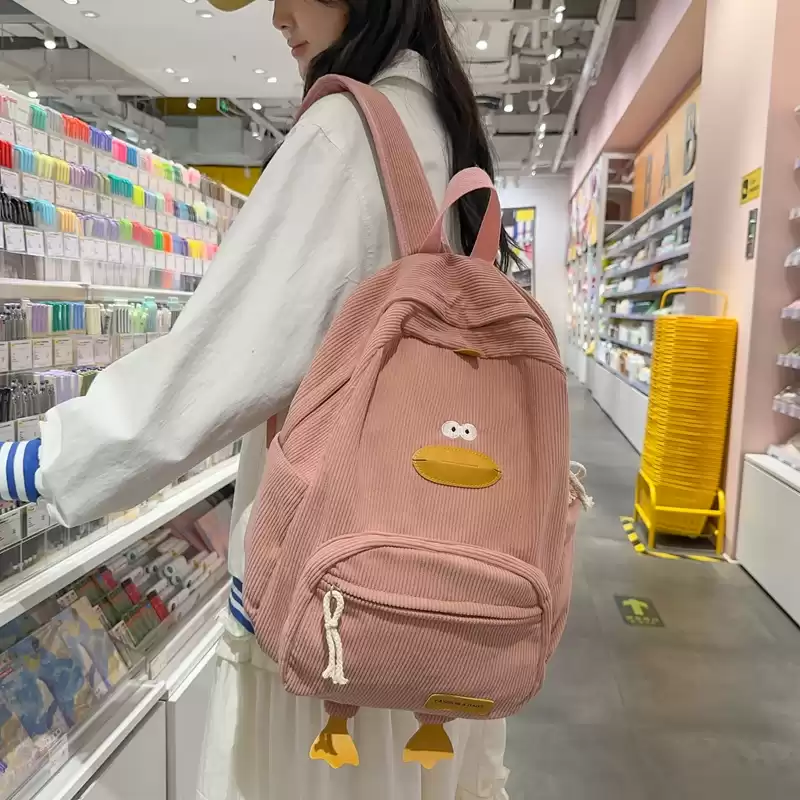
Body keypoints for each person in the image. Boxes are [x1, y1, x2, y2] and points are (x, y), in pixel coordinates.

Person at [1, 0, 515, 797]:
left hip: (331, 620)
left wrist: (41, 462)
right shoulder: (445, 127)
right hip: (435, 594)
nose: (277, 15)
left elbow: (217, 363)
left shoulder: (346, 135)